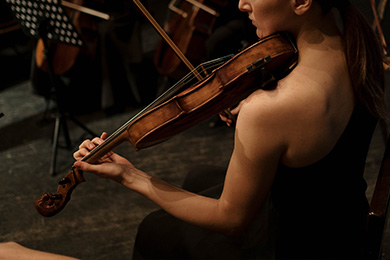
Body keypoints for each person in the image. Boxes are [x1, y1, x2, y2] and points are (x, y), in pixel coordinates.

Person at [0, 0, 386, 259]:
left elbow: (231, 221)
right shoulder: (358, 40)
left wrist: (130, 175)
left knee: (155, 230)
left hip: (292, 245)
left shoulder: (271, 108)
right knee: (197, 174)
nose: (241, 3)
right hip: (340, 225)